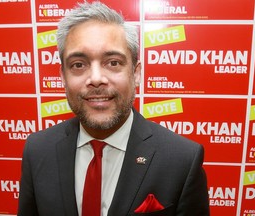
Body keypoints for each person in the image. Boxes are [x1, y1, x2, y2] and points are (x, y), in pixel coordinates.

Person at [18, 1, 210, 216]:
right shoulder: (37, 150)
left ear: (136, 73)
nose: (96, 79)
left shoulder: (182, 160)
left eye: (113, 62)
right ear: (63, 76)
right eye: (78, 65)